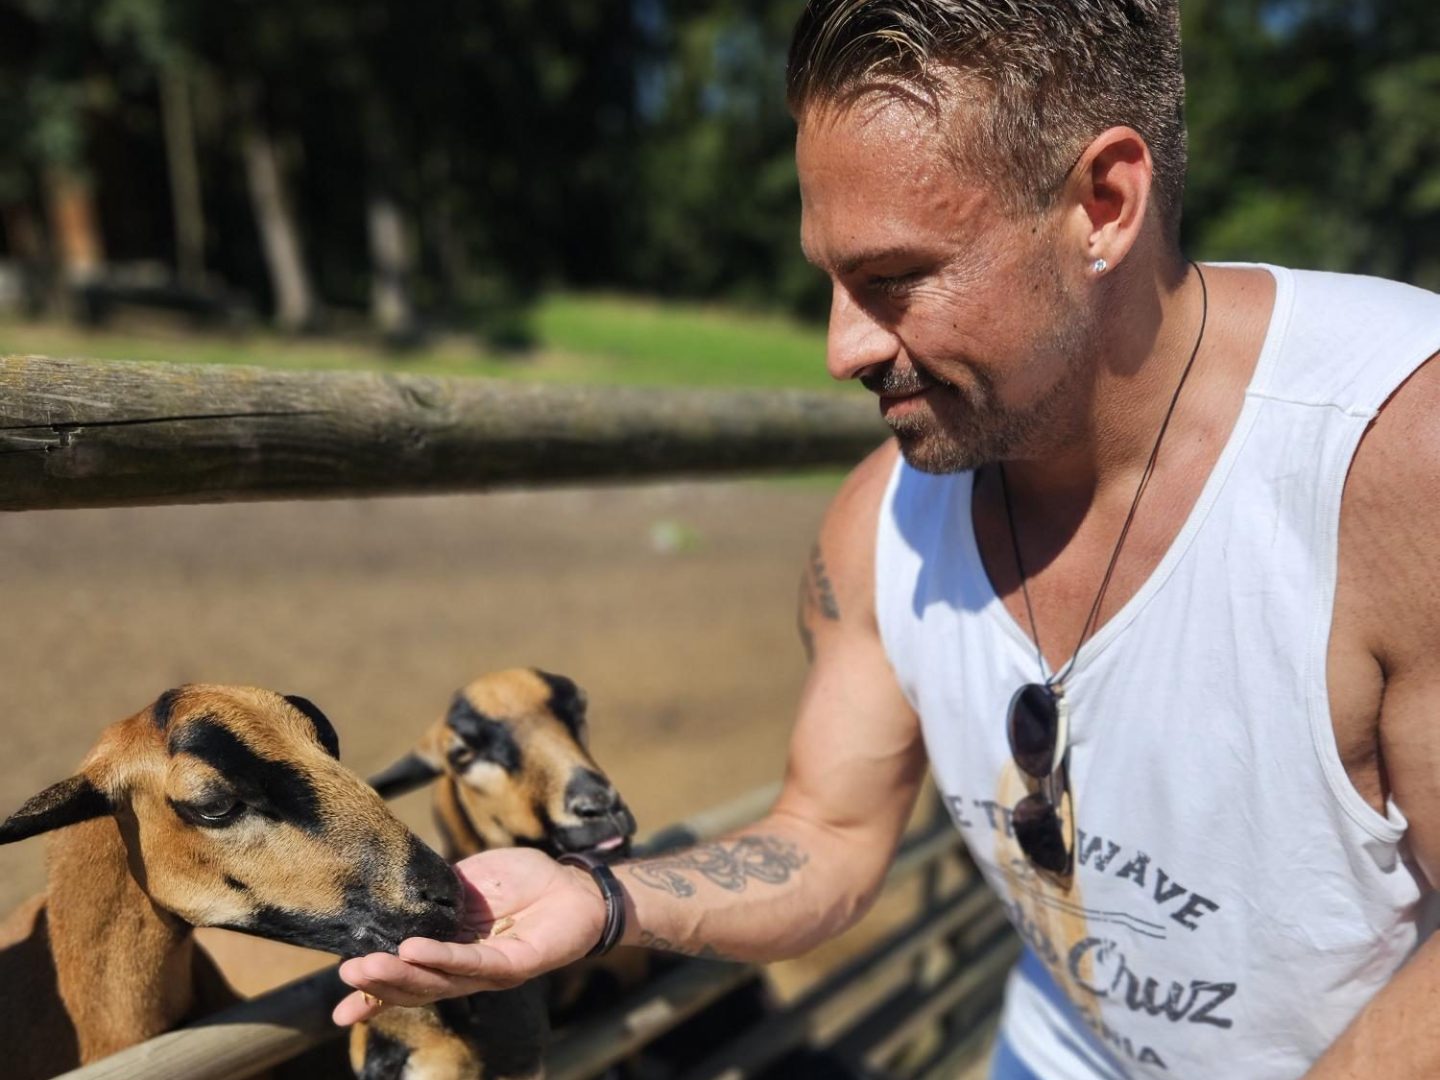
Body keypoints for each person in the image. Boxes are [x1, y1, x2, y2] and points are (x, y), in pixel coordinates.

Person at [332, 3, 1440, 1076]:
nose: (840, 347)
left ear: (1103, 204)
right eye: (829, 278)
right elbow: (830, 832)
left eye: (895, 278)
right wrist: (608, 901)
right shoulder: (880, 525)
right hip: (1053, 1052)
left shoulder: (1395, 457)